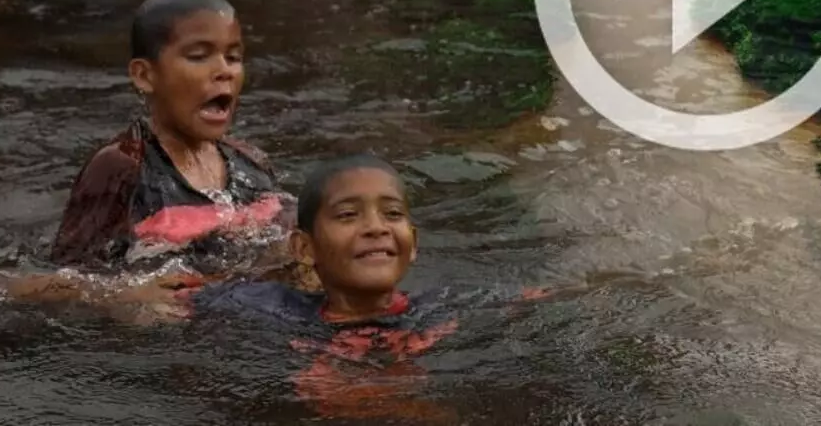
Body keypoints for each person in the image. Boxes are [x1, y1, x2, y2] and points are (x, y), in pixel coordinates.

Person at [173, 155, 556, 419]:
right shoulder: (266, 306)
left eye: (392, 214)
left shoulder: (451, 306)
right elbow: (157, 295)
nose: (376, 227)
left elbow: (551, 299)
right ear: (305, 248)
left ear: (414, 242)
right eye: (348, 215)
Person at [49, 0, 299, 281]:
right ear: (145, 75)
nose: (224, 71)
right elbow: (63, 281)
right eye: (198, 56)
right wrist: (134, 295)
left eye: (233, 58)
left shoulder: (251, 161)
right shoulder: (121, 167)